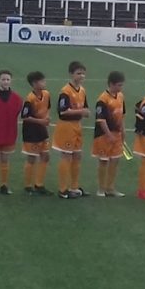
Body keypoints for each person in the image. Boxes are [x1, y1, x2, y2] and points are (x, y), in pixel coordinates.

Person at [54, 61, 90, 199]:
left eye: (83, 73)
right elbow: (62, 111)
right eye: (78, 73)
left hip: (77, 126)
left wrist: (84, 112)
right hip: (66, 127)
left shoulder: (82, 90)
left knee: (77, 155)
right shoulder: (66, 91)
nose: (81, 76)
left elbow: (84, 107)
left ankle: (74, 187)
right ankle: (63, 189)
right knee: (66, 156)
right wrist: (82, 111)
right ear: (71, 74)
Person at [92, 70, 126, 198]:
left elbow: (122, 114)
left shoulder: (121, 96)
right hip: (103, 136)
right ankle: (101, 189)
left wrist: (123, 130)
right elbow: (101, 120)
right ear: (111, 84)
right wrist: (108, 134)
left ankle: (110, 188)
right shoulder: (103, 99)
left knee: (115, 160)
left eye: (121, 85)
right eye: (119, 85)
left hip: (117, 134)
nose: (120, 88)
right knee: (103, 161)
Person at [20, 71, 52, 195]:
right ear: (34, 83)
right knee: (32, 157)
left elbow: (47, 107)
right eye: (42, 81)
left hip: (41, 129)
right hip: (31, 131)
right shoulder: (30, 98)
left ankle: (39, 184)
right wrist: (41, 121)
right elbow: (25, 116)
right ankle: (28, 185)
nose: (45, 83)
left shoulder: (47, 94)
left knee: (45, 156)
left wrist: (47, 118)